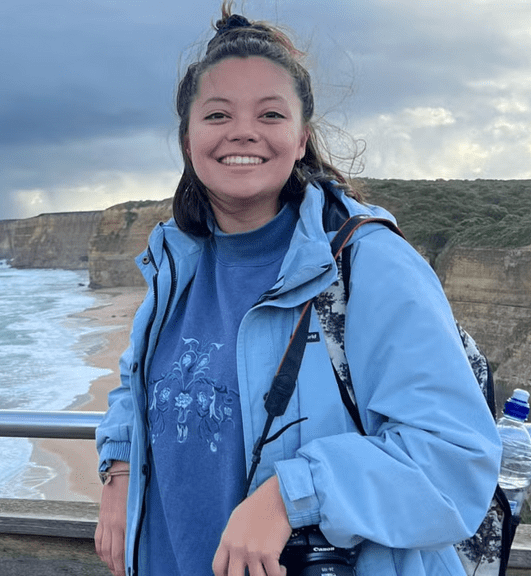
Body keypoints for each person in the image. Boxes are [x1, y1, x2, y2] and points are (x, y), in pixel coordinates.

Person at [94, 5, 501, 576]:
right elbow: (136, 379)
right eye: (217, 114)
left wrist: (290, 495)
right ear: (188, 138)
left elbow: (457, 460)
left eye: (270, 113)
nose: (243, 131)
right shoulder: (177, 261)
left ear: (301, 137)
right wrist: (118, 470)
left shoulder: (367, 264)